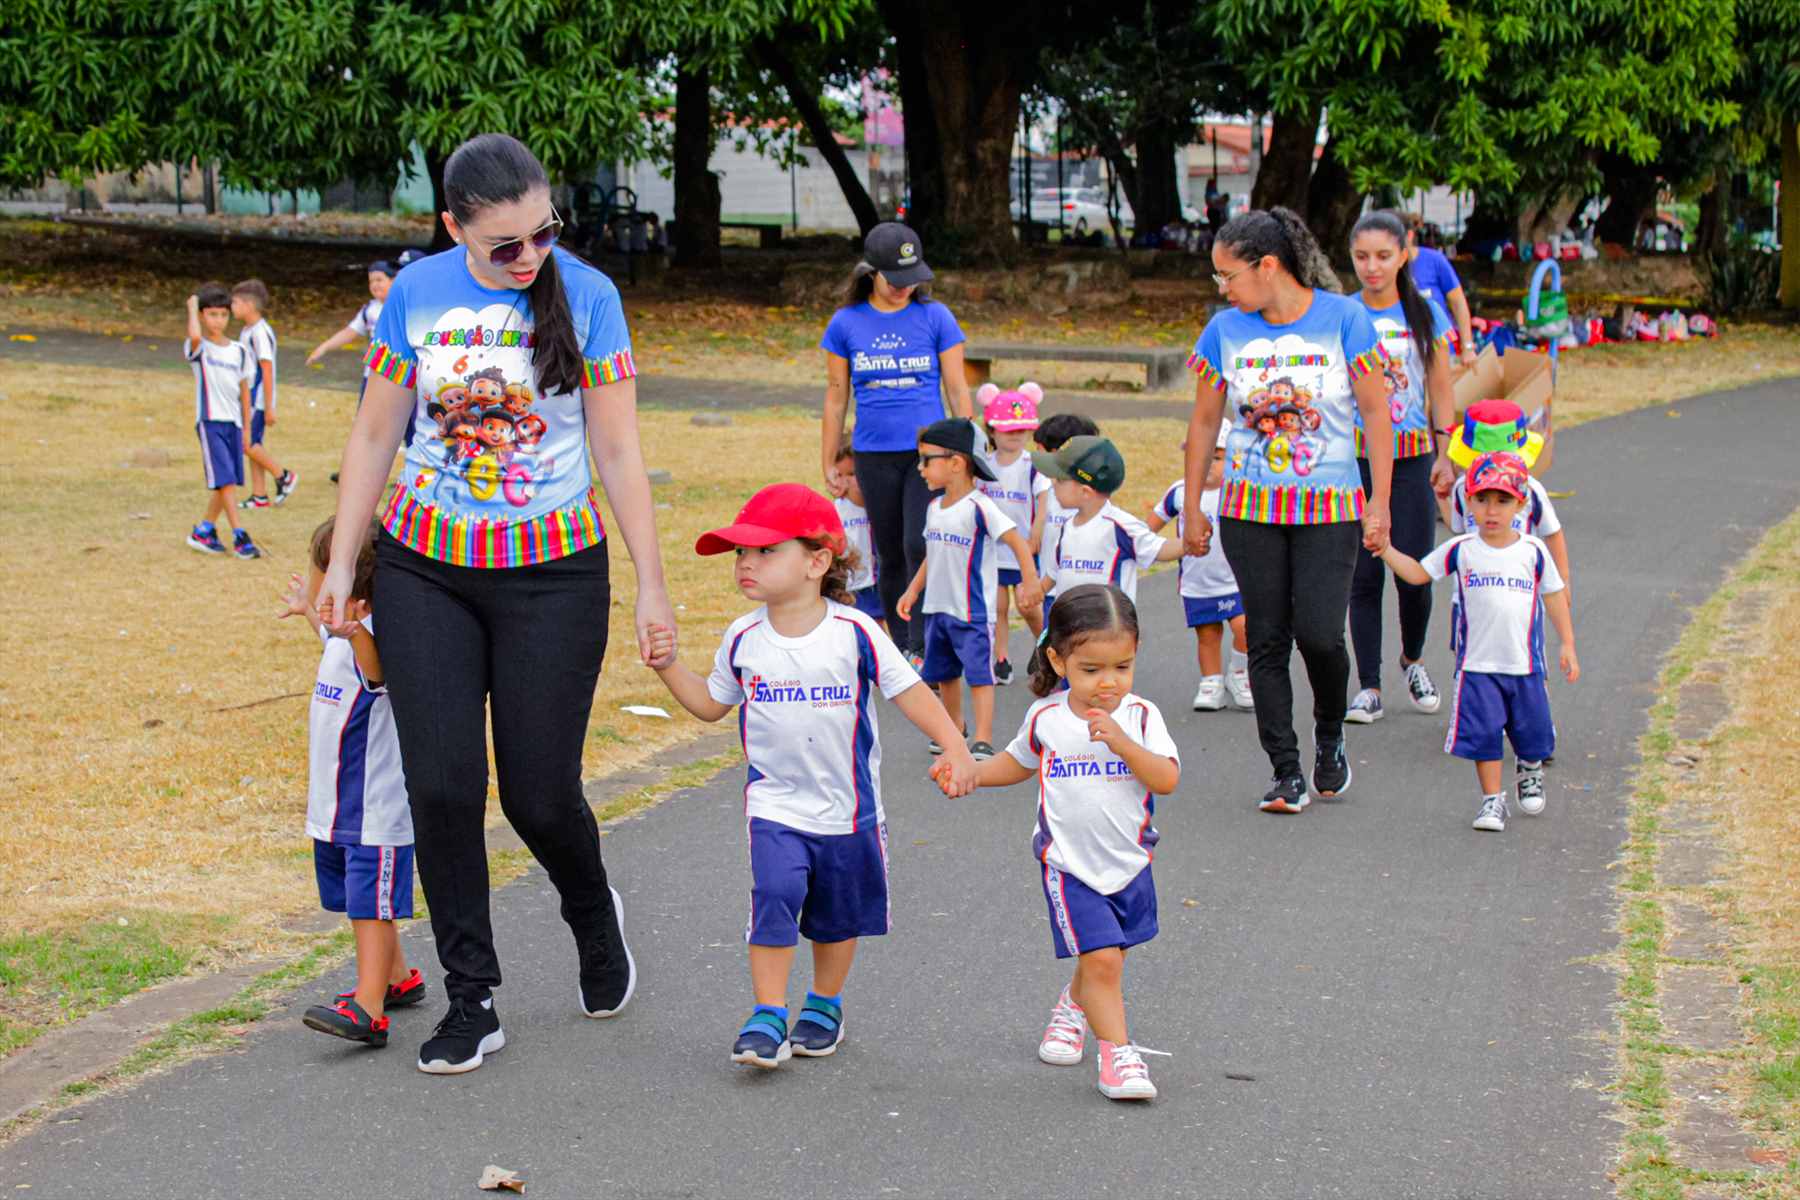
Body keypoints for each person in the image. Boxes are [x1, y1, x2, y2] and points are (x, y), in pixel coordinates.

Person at [316, 132, 674, 1075]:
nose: (529, 257)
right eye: (504, 245)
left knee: (538, 795)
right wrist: (343, 562)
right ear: (453, 229)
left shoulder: (589, 297)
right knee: (440, 788)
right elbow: (375, 435)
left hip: (554, 574)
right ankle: (471, 997)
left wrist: (652, 583)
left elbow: (619, 452)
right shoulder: (417, 295)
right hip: (425, 566)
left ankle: (592, 913)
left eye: (543, 233)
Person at [643, 484, 975, 1067]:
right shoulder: (743, 637)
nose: (746, 563)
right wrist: (669, 666)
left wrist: (955, 746)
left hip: (849, 811)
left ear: (817, 562)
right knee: (775, 894)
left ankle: (824, 1004)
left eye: (765, 551)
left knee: (836, 917)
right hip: (775, 807)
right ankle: (768, 1013)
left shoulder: (856, 632)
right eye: (741, 553)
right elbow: (712, 704)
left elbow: (911, 692)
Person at [1180, 206, 1395, 815]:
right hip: (1249, 512)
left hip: (1331, 510)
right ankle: (1285, 771)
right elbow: (1203, 423)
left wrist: (1379, 501)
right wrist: (1193, 506)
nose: (1222, 288)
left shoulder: (1345, 319)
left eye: (1228, 276)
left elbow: (1375, 413)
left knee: (1321, 636)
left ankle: (1330, 733)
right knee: (1266, 639)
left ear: (1268, 266)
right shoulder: (1223, 330)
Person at [931, 584, 1179, 1102]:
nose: (1109, 682)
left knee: (1107, 959)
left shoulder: (1141, 716)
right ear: (1058, 660)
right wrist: (971, 773)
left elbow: (1166, 779)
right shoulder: (1047, 716)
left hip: (1129, 863)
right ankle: (1118, 1057)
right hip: (1068, 865)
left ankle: (1073, 1006)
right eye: (1092, 669)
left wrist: (1123, 743)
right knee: (1103, 960)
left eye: (1122, 667)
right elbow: (1017, 762)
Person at [280, 517, 424, 1048]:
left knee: (370, 904)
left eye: (322, 572)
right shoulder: (344, 633)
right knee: (356, 898)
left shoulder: (377, 635)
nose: (317, 581)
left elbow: (377, 672)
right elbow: (333, 640)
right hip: (337, 801)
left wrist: (356, 631)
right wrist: (309, 614)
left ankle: (369, 1007)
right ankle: (397, 976)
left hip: (373, 807)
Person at [1378, 452, 1578, 832]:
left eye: (1503, 500)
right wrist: (1386, 550)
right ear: (1468, 502)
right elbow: (1418, 574)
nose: (1492, 510)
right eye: (1482, 499)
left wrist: (1567, 643)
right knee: (1485, 736)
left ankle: (1529, 766)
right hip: (1477, 667)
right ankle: (1492, 800)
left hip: (1525, 665)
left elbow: (1553, 596)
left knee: (1533, 733)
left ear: (1521, 504)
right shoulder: (1463, 549)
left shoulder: (1533, 552)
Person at [819, 222, 974, 664]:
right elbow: (836, 397)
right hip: (873, 454)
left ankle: (926, 642)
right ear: (873, 272)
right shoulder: (846, 323)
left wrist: (965, 450)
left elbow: (957, 388)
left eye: (913, 278)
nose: (905, 287)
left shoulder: (936, 317)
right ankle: (903, 647)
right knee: (888, 552)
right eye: (896, 279)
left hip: (929, 453)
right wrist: (828, 459)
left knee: (917, 544)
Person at [1345, 211, 1459, 725]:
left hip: (1413, 458)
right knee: (1363, 574)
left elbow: (1440, 387)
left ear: (1404, 256)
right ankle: (1368, 685)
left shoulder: (1425, 313)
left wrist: (1445, 453)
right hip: (1353, 461)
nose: (1372, 267)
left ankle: (1412, 660)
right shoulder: (1343, 314)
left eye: (1383, 256)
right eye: (1361, 257)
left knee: (1414, 572)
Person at [896, 419, 1042, 759]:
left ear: (956, 463)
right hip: (937, 609)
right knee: (943, 673)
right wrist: (913, 591)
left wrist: (1030, 578)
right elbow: (932, 554)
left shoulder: (980, 507)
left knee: (979, 675)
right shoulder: (934, 508)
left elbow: (1016, 542)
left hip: (972, 610)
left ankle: (983, 738)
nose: (920, 468)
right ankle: (954, 728)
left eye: (926, 460)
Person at [1147, 425, 1252, 711]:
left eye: (1216, 458)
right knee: (1207, 634)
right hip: (1198, 582)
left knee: (1245, 627)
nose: (1207, 465)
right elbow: (1150, 526)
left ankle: (1239, 673)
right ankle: (1211, 682)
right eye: (1199, 456)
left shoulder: (1238, 490)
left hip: (1236, 579)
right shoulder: (1179, 492)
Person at [1033, 435, 1179, 604]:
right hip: (1070, 619)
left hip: (1110, 620)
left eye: (1060, 480)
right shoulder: (1066, 527)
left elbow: (1159, 548)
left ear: (1085, 492)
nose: (1053, 484)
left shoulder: (1118, 526)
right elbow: (1055, 571)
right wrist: (1039, 590)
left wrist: (1190, 543)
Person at [1445, 400, 1572, 593]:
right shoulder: (1462, 487)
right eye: (1481, 499)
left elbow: (1552, 532)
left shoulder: (1531, 489)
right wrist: (1440, 498)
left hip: (1522, 590)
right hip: (1472, 592)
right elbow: (1459, 530)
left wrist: (1563, 582)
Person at [976, 381, 1051, 683]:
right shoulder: (984, 465)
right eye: (1008, 430)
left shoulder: (1032, 465)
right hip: (993, 550)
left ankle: (1047, 647)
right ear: (992, 430)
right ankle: (1001, 659)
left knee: (1029, 605)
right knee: (998, 608)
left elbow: (1044, 499)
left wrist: (1037, 531)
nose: (1015, 435)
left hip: (1024, 550)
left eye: (1021, 429)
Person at [182, 284, 261, 560]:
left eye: (223, 315)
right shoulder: (199, 348)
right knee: (225, 479)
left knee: (228, 481)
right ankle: (239, 534)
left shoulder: (239, 351)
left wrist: (247, 429)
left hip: (234, 423)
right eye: (212, 315)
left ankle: (204, 529)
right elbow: (194, 335)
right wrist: (192, 306)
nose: (218, 321)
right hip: (210, 421)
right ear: (203, 316)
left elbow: (245, 391)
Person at [310, 261, 400, 484]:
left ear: (393, 280)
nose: (375, 285)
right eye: (371, 281)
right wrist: (324, 347)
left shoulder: (402, 306)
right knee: (365, 426)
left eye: (380, 279)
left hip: (398, 378)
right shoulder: (369, 310)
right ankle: (356, 471)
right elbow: (350, 332)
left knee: (401, 427)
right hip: (372, 377)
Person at [229, 280, 298, 510]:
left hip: (256, 399)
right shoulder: (247, 330)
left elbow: (266, 369)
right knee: (253, 444)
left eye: (235, 302)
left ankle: (283, 475)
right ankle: (259, 495)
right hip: (248, 397)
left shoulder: (260, 332)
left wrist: (268, 406)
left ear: (249, 305)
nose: (231, 307)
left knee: (246, 443)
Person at [1031, 413, 1100, 629]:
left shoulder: (1093, 495)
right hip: (1052, 593)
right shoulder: (1046, 490)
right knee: (1053, 645)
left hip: (1086, 595)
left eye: (1040, 451)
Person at [1402, 212, 1476, 368]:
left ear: (1409, 235)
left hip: (1439, 350)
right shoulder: (1385, 269)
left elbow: (1458, 303)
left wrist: (1467, 347)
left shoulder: (1434, 260)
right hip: (1403, 355)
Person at [829, 435, 885, 621]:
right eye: (840, 475)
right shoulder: (836, 510)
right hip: (850, 587)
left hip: (879, 582)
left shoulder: (880, 505)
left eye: (852, 474)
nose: (846, 481)